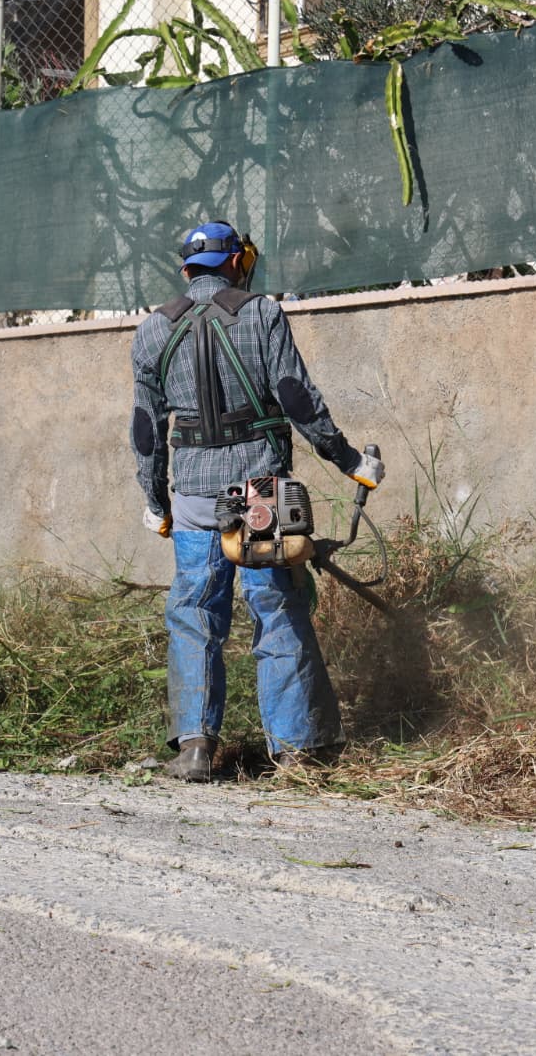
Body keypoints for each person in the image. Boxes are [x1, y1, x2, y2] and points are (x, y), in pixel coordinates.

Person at [129, 222, 385, 781]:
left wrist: (155, 502)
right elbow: (296, 397)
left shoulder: (152, 329)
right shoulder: (261, 314)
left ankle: (195, 750)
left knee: (194, 615)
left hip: (194, 497)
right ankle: (297, 751)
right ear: (238, 261)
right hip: (260, 494)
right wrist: (348, 460)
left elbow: (148, 430)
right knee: (277, 610)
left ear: (186, 270)